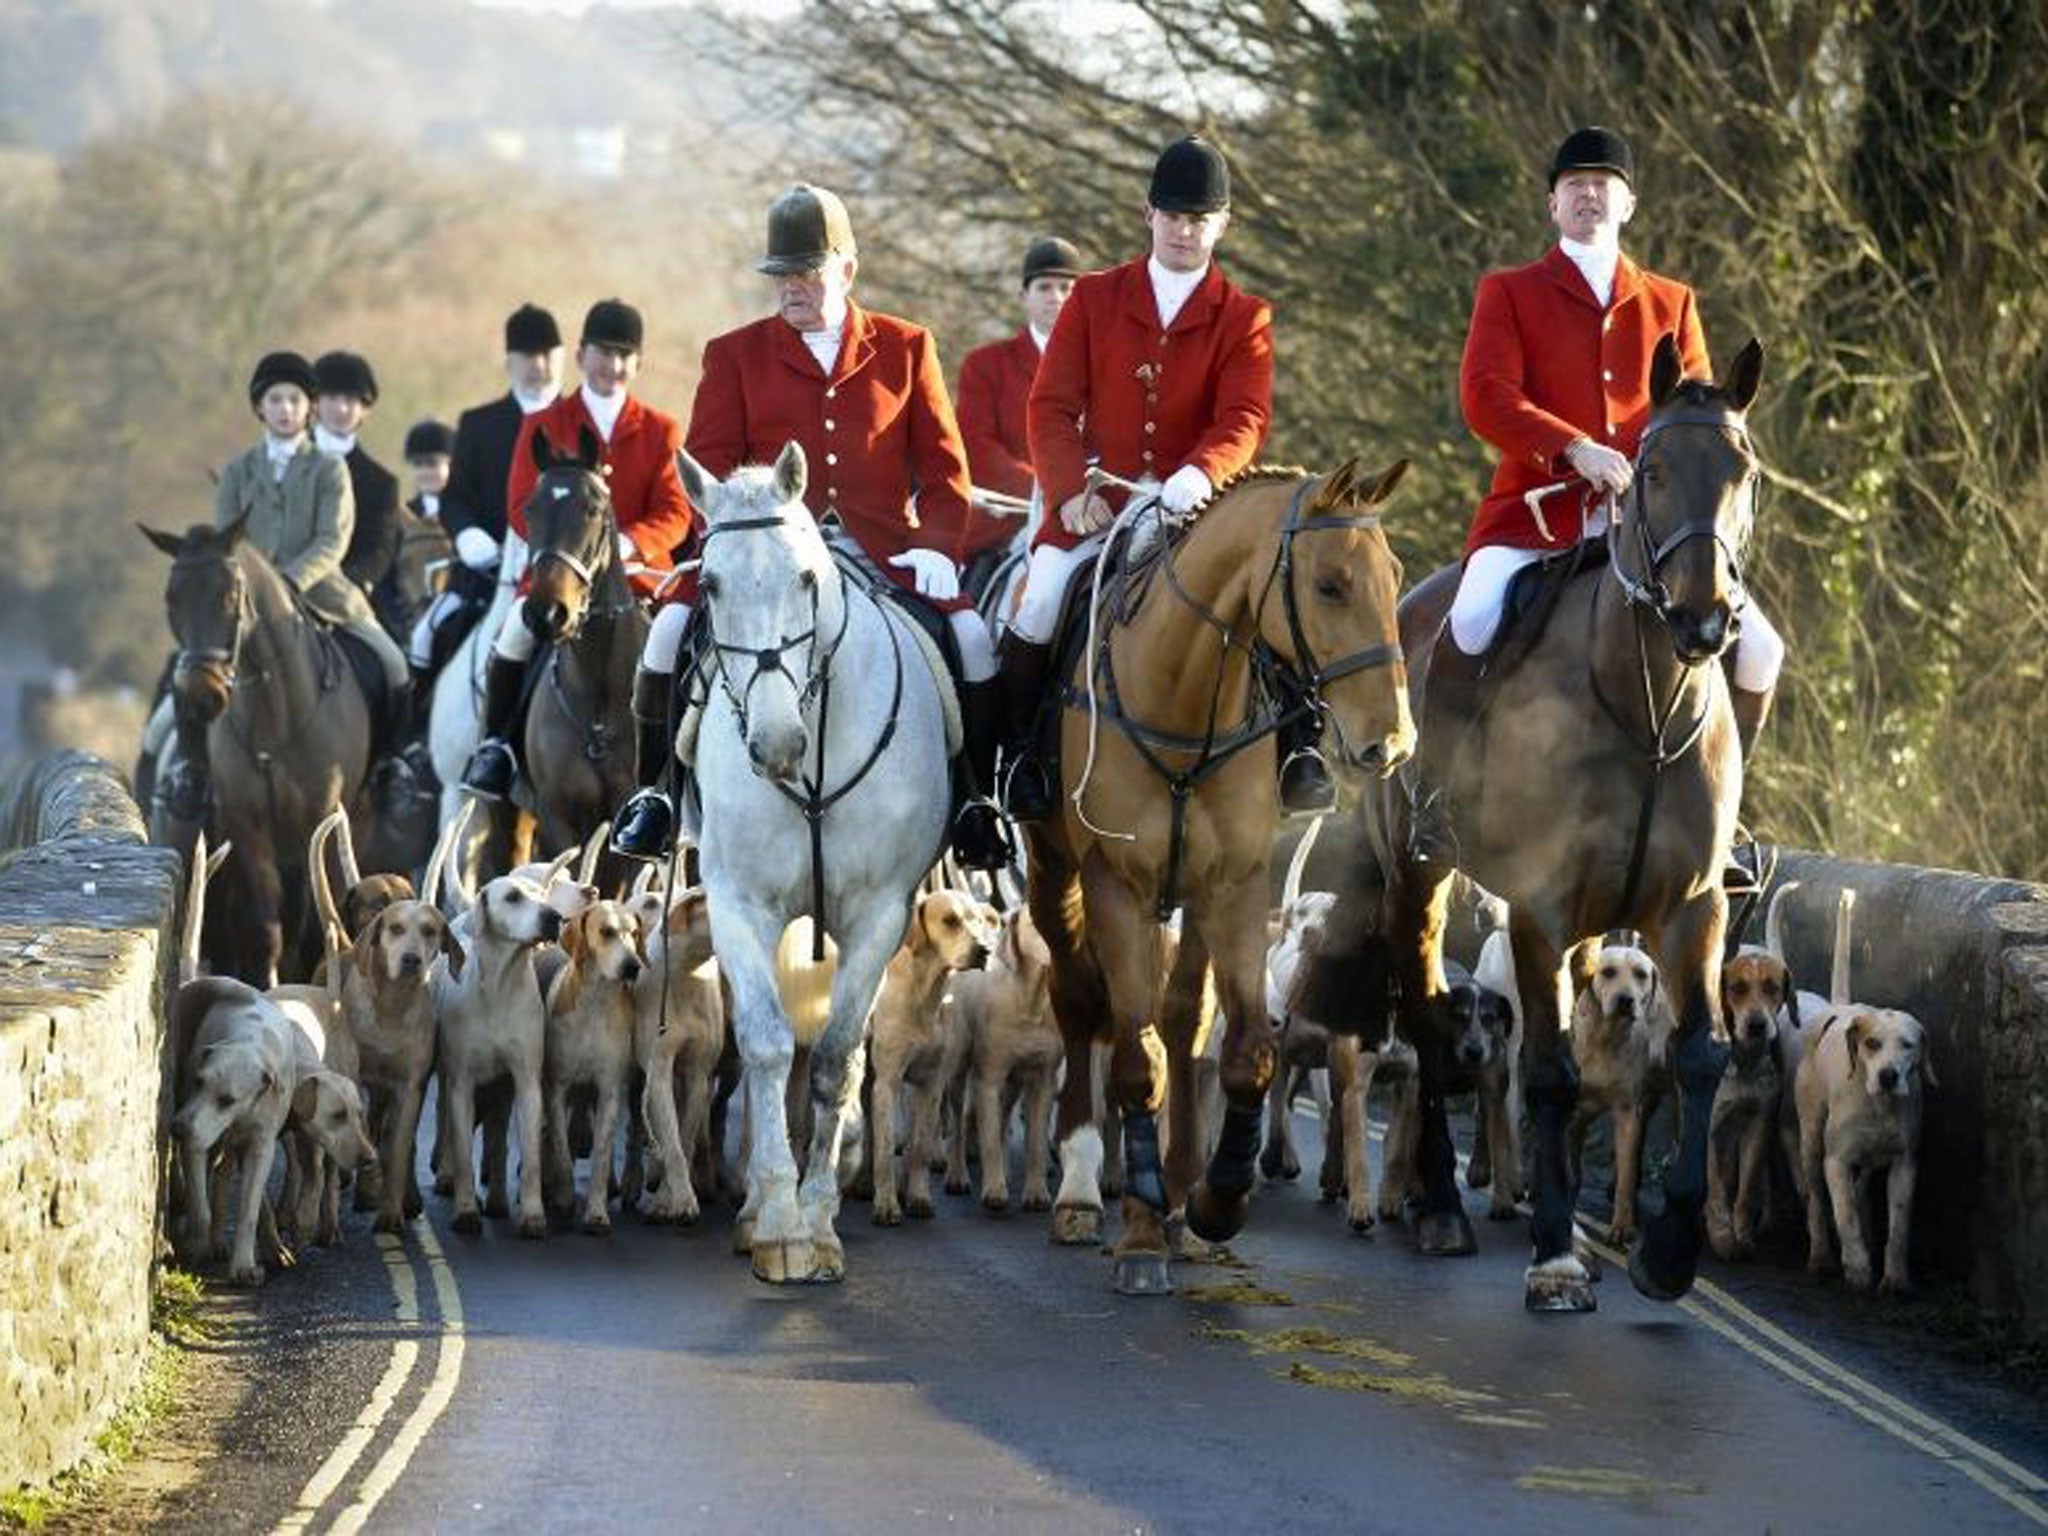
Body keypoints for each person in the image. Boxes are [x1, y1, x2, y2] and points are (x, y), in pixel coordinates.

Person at [1406, 125, 1786, 864]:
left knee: (1762, 651)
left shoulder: (1671, 302)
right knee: (1473, 618)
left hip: (1650, 531)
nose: (1589, 193)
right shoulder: (1510, 291)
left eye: (1603, 182)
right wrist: (1572, 447)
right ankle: (1435, 798)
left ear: (1629, 202)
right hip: (1534, 519)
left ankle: (1723, 823)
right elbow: (1486, 397)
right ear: (1552, 203)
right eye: (1574, 184)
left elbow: (1697, 411)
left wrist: (1656, 466)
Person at [606, 183, 1008, 871]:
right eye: (782, 275)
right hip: (762, 559)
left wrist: (940, 547)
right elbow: (704, 471)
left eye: (807, 272)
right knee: (668, 634)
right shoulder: (734, 355)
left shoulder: (906, 347)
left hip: (880, 551)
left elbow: (947, 475)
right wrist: (725, 540)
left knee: (971, 638)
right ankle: (659, 794)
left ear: (846, 270)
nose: (792, 287)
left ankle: (975, 802)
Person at [1006, 136, 1324, 816]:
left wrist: (1203, 473)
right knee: (1039, 603)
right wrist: (1068, 496)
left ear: (1222, 225)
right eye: (1174, 216)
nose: (1186, 231)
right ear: (1148, 215)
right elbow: (1051, 405)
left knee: (1276, 594)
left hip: (1199, 509)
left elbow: (1244, 415)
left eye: (1200, 219)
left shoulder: (1246, 317)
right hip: (1105, 504)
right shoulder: (1092, 299)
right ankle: (1018, 761)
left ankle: (1300, 753)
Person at [460, 298, 694, 800]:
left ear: (637, 364)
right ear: (582, 355)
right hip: (558, 578)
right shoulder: (544, 423)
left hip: (637, 577)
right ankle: (496, 748)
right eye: (603, 353)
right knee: (513, 636)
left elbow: (676, 512)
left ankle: (690, 764)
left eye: (624, 356)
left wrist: (627, 544)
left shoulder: (661, 429)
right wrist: (567, 556)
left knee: (684, 643)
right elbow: (522, 503)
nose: (613, 365)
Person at [412, 304, 566, 693]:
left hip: (564, 573)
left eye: (547, 355)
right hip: (487, 571)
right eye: (528, 356)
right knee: (427, 634)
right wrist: (468, 536)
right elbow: (455, 498)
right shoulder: (478, 423)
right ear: (509, 362)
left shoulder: (581, 421)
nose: (538, 365)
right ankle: (419, 737)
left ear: (562, 358)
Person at [953, 236, 1083, 578]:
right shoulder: (984, 365)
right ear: (1024, 296)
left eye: (1067, 287)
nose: (1056, 297)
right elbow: (976, 446)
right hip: (1004, 526)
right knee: (967, 629)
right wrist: (1050, 489)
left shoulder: (1107, 367)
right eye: (1044, 287)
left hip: (1087, 517)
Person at [312, 350, 403, 603]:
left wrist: (339, 582)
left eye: (352, 400)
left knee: (384, 645)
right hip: (280, 587)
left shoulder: (382, 483)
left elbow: (379, 553)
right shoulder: (284, 464)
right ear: (314, 403)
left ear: (365, 411)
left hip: (346, 594)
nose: (342, 408)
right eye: (332, 397)